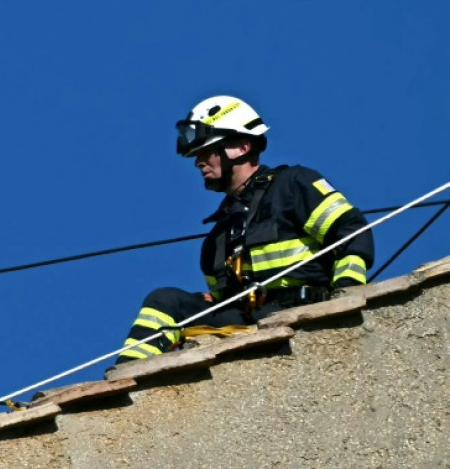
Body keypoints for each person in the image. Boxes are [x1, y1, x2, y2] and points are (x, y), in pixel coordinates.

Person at [116, 95, 374, 363]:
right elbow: (222, 299)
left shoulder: (293, 184)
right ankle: (126, 382)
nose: (199, 162)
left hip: (302, 310)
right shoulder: (219, 235)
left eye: (207, 151)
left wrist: (346, 297)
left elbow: (351, 232)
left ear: (242, 146)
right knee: (165, 301)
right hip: (246, 322)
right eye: (197, 155)